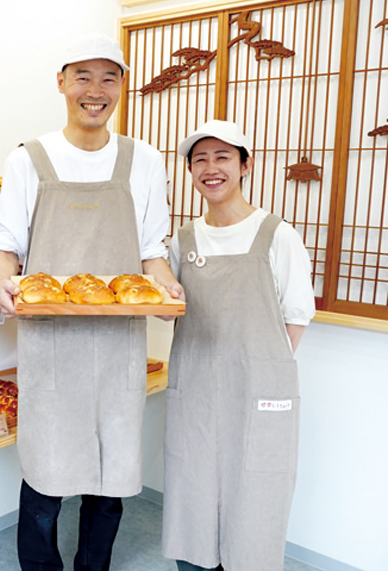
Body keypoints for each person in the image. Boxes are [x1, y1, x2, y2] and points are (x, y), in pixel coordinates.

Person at [0, 33, 183, 571]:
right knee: (45, 474)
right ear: (61, 83)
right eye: (83, 77)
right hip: (50, 343)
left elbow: (152, 251)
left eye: (109, 78)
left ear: (122, 85)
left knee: (111, 471)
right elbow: (6, 245)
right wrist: (1, 280)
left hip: (119, 344)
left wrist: (167, 288)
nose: (95, 91)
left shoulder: (143, 160)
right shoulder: (30, 159)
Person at [161, 120, 316, 571]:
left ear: (245, 166)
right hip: (196, 388)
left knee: (256, 494)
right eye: (200, 160)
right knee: (192, 491)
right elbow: (169, 306)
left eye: (222, 157)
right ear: (191, 171)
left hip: (257, 391)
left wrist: (262, 372)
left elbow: (296, 315)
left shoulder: (277, 234)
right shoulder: (184, 240)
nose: (211, 168)